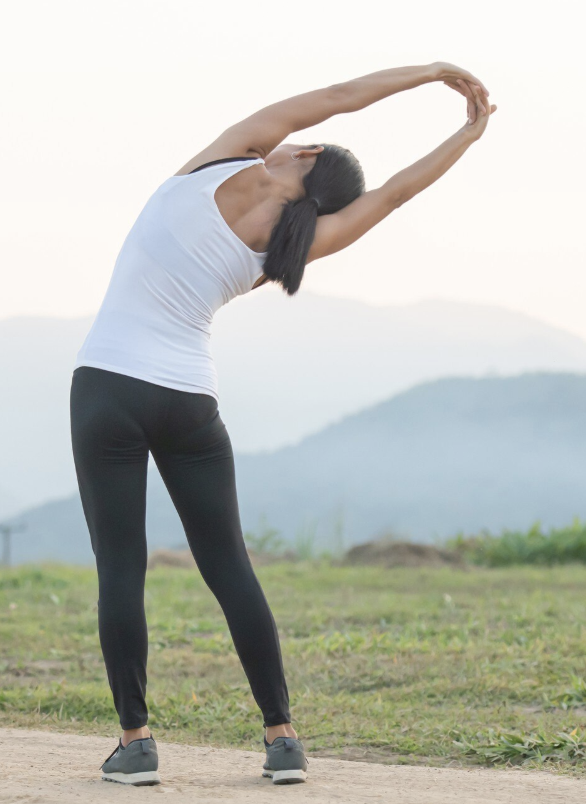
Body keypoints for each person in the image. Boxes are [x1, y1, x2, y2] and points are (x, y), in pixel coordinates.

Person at [69, 63, 496, 786]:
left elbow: (336, 98)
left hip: (108, 385)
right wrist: (470, 133)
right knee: (229, 565)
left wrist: (430, 74)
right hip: (190, 399)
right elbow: (396, 193)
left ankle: (136, 742)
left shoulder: (225, 157)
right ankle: (282, 736)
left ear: (305, 150)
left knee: (121, 566)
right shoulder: (293, 244)